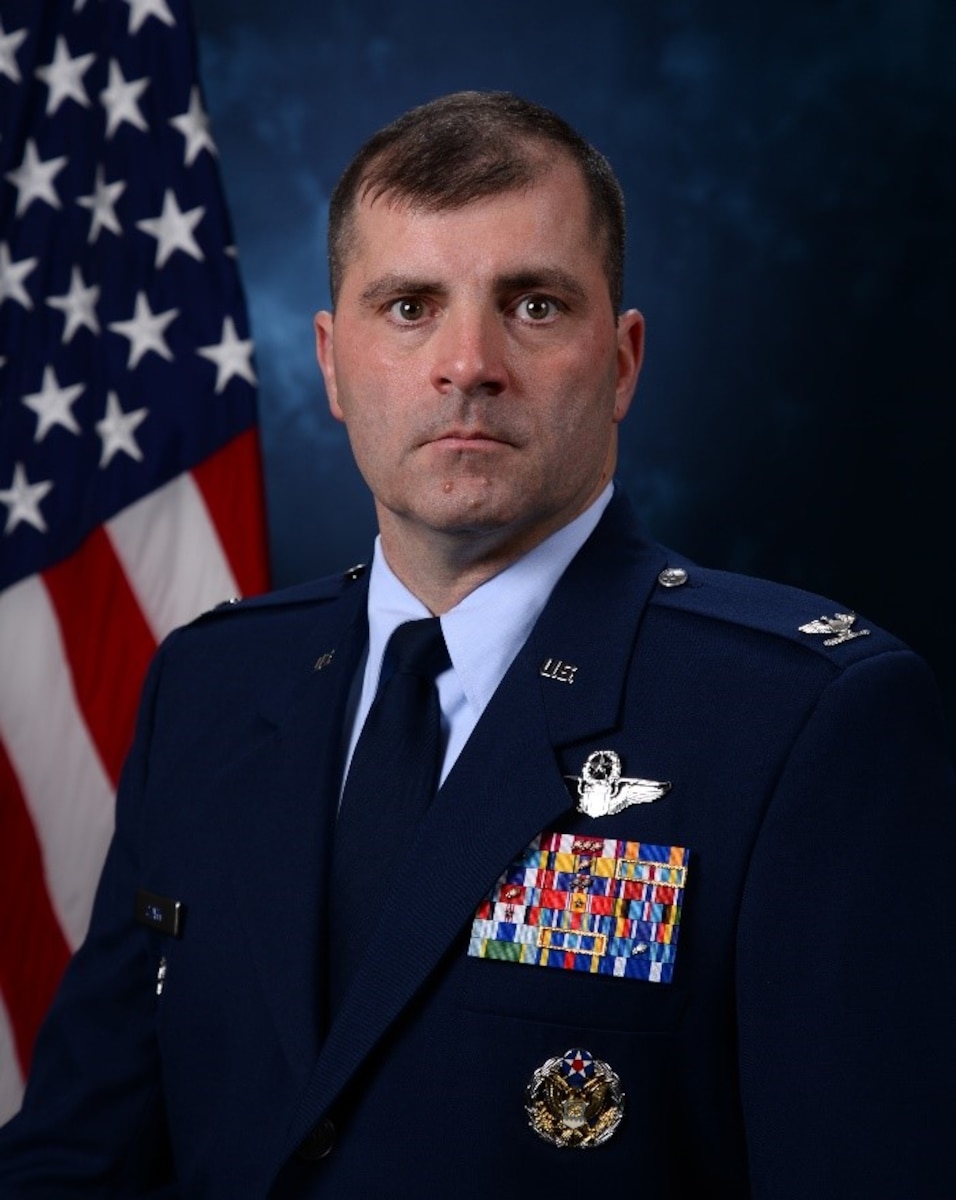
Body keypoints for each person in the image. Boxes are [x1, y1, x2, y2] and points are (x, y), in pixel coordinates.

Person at [1, 90, 954, 1197]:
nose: (467, 363)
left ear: (623, 360)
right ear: (331, 361)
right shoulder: (213, 683)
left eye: (534, 305)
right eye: (408, 306)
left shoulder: (802, 718)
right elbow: (79, 1154)